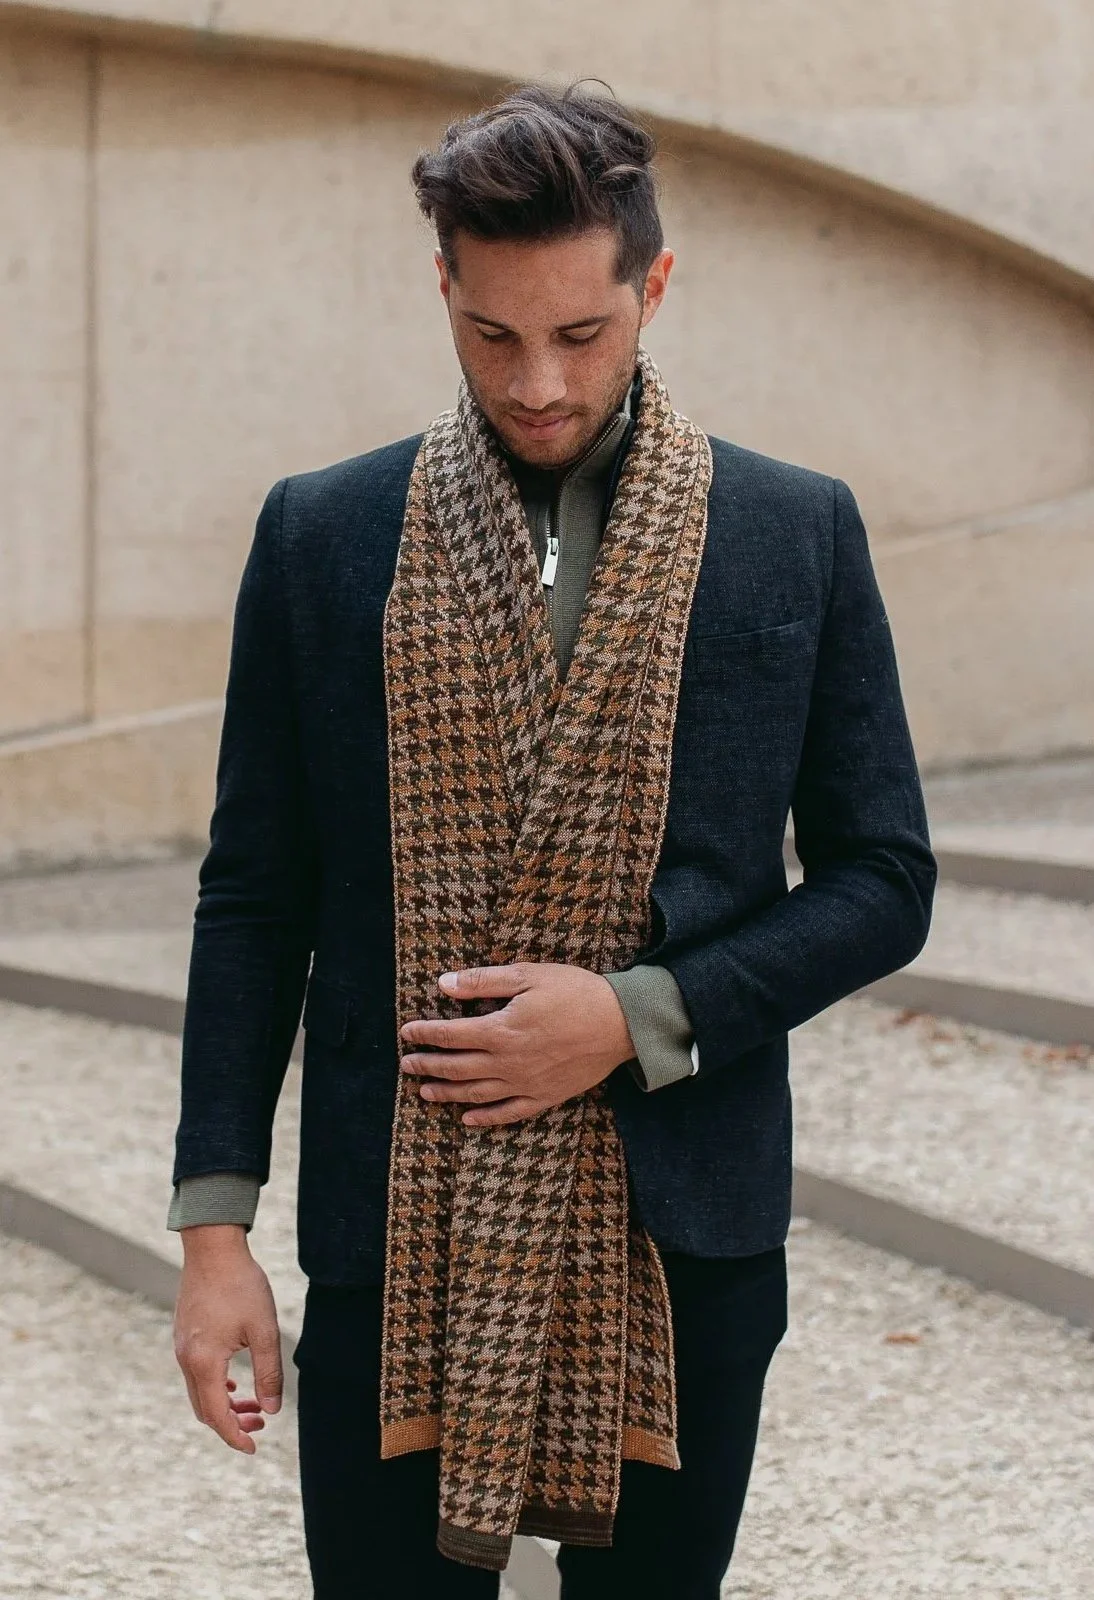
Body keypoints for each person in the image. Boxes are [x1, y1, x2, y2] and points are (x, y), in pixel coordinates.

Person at [168, 83, 936, 1599]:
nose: (536, 382)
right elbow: (257, 894)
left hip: (681, 1228)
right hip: (396, 1221)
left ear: (653, 287)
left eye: (580, 335)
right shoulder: (324, 534)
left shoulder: (792, 531)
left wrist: (636, 1016)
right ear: (442, 286)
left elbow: (881, 878)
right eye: (493, 334)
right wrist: (214, 1232)